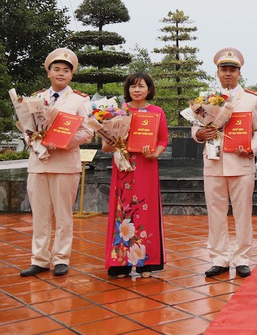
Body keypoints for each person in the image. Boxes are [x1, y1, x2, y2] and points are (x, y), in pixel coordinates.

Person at [20, 48, 94, 277]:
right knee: (40, 215)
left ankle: (61, 257)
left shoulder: (80, 100)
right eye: (56, 69)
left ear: (71, 75)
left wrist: (65, 141)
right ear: (49, 73)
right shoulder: (36, 98)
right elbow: (26, 126)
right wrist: (34, 139)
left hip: (64, 165)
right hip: (39, 164)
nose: (60, 74)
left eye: (65, 70)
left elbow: (89, 131)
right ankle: (39, 259)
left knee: (63, 215)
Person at [194, 48, 257, 278]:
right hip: (214, 162)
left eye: (232, 70)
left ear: (239, 73)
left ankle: (242, 257)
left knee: (243, 213)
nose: (228, 73)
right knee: (215, 212)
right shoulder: (204, 98)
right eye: (224, 69)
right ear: (217, 72)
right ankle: (219, 258)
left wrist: (252, 148)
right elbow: (195, 126)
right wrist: (198, 134)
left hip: (241, 162)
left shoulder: (251, 98)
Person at [103, 72, 168, 278]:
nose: (137, 90)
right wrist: (111, 143)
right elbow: (106, 144)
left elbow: (163, 140)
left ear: (149, 89)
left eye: (141, 86)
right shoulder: (118, 112)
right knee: (121, 209)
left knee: (146, 209)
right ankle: (120, 262)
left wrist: (154, 154)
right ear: (127, 89)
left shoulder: (157, 112)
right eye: (133, 86)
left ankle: (145, 263)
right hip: (123, 166)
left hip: (146, 165)